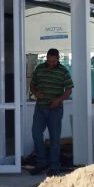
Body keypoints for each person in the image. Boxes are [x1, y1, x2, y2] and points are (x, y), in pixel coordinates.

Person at [30, 48, 73, 176]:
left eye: (53, 62)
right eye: (49, 61)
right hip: (40, 108)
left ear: (58, 59)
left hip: (55, 109)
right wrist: (36, 92)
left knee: (54, 138)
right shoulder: (39, 69)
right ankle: (41, 162)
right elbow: (32, 85)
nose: (51, 64)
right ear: (46, 58)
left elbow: (69, 89)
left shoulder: (63, 71)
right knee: (36, 134)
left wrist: (59, 100)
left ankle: (54, 165)